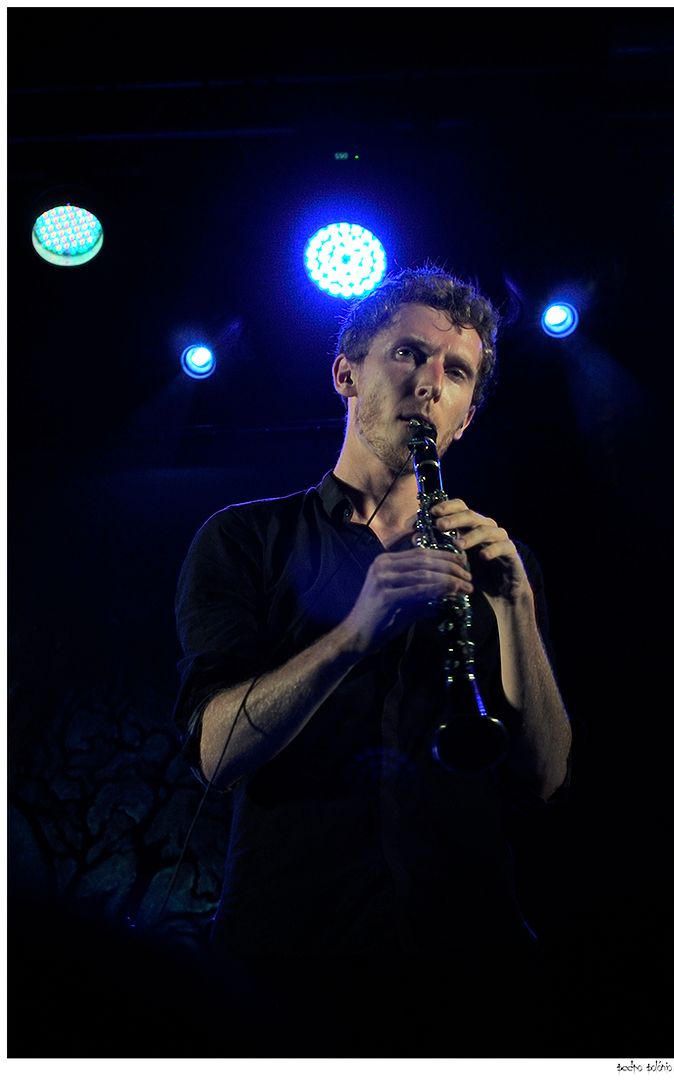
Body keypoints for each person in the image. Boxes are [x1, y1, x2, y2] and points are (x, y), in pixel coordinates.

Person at [173, 264, 572, 1056]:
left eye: (456, 372)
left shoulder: (502, 560)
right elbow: (215, 755)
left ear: (463, 419)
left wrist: (515, 606)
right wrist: (358, 630)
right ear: (346, 375)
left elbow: (547, 778)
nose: (429, 383)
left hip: (474, 964)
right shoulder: (244, 538)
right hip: (286, 968)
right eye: (407, 353)